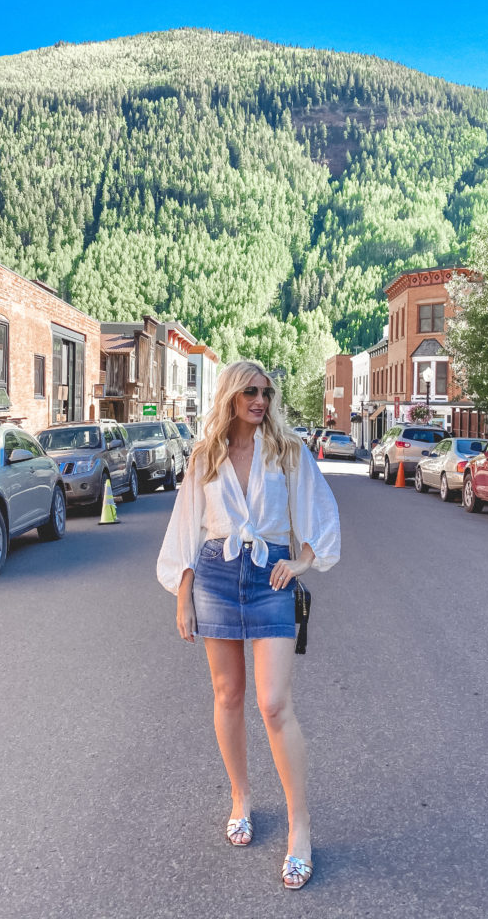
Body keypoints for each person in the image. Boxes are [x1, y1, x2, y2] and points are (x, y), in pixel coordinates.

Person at [157, 361, 341, 890]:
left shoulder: (288, 451)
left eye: (266, 392)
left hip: (272, 580)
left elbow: (321, 516)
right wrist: (183, 595)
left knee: (274, 703)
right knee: (227, 694)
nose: (260, 400)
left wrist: (303, 563)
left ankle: (299, 828)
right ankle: (241, 797)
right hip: (215, 577)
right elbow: (187, 525)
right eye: (250, 392)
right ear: (231, 396)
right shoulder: (207, 455)